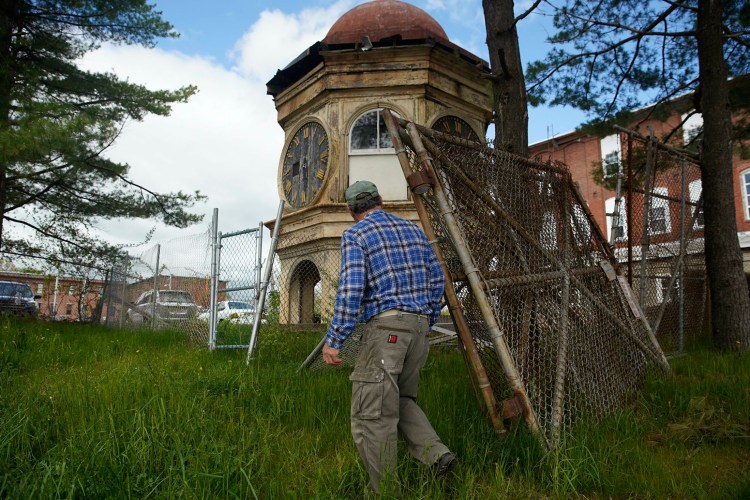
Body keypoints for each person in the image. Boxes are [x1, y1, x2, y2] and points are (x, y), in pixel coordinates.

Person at [322, 180, 456, 495]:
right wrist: (424, 320)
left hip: (386, 332)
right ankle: (436, 455)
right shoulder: (414, 231)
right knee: (401, 399)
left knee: (372, 415)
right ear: (381, 200)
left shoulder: (356, 234)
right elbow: (438, 280)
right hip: (420, 328)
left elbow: (352, 288)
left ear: (351, 210)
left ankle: (385, 492)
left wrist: (335, 339)